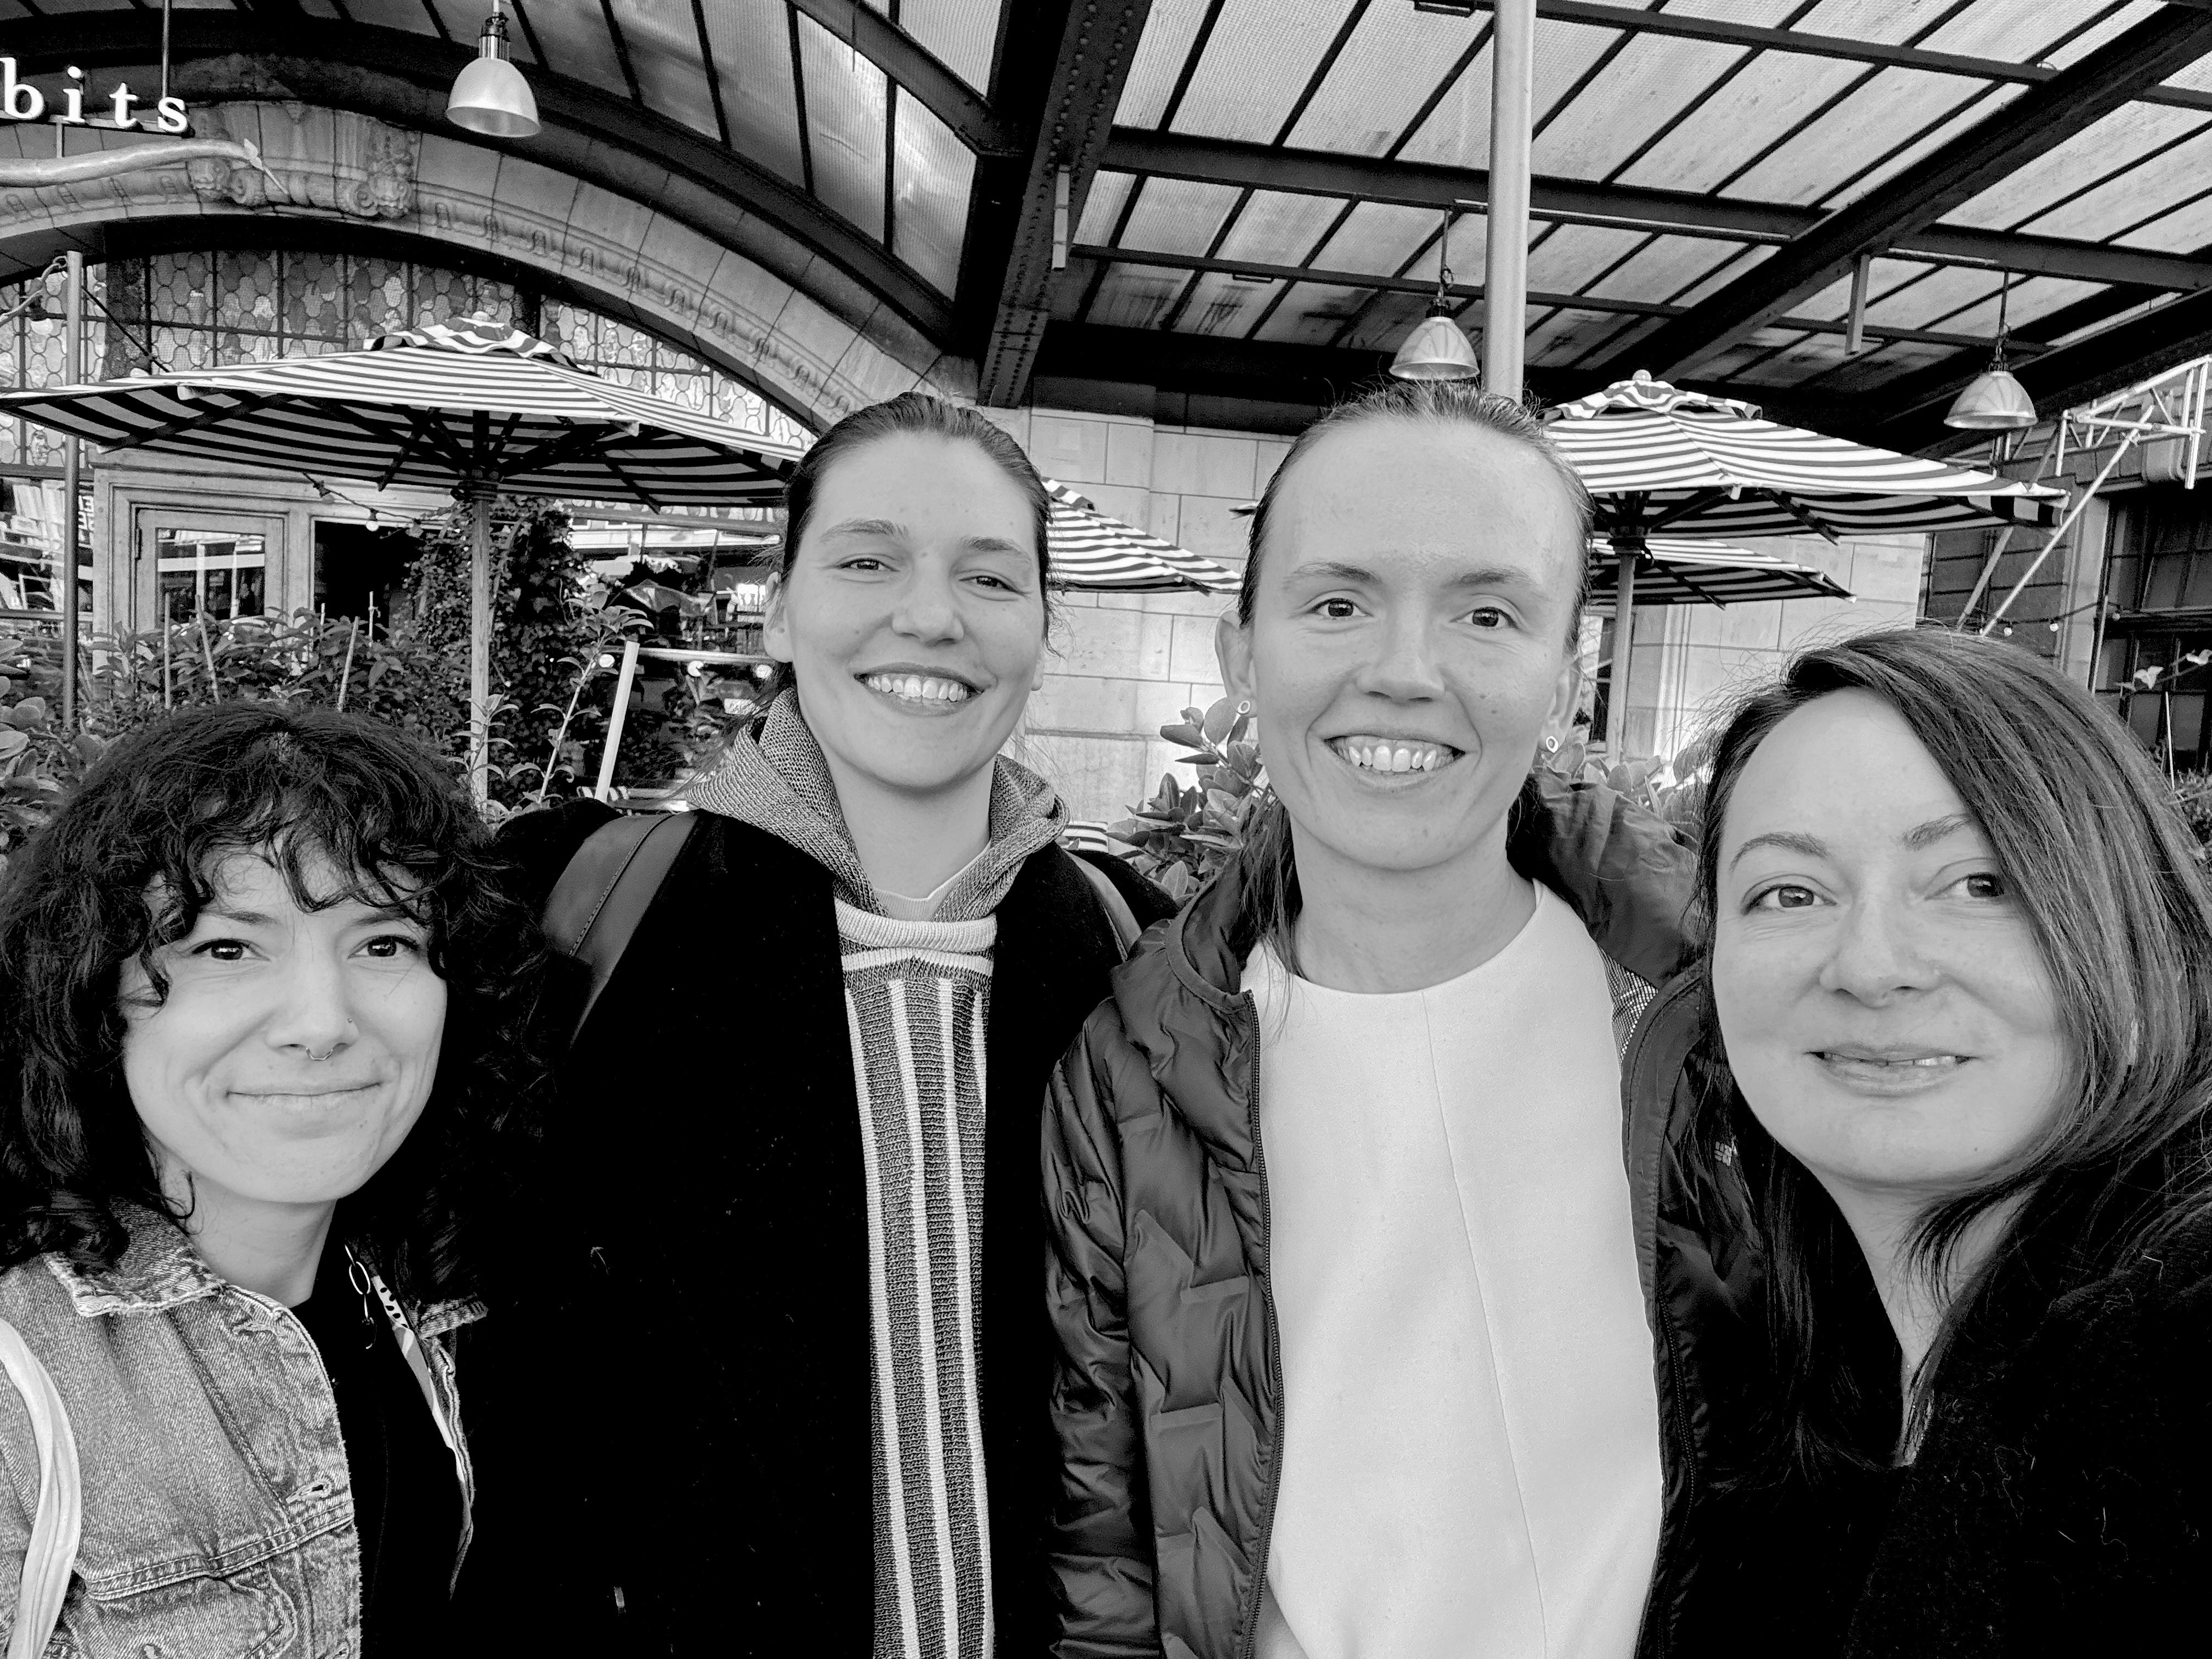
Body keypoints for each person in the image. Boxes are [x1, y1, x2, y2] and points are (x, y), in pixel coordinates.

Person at [456, 391, 1175, 1655]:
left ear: (1043, 629)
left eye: (990, 578)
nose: (930, 616)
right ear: (783, 606)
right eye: (869, 560)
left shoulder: (1138, 953)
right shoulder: (568, 915)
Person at [1042, 380, 1740, 1659]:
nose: (1406, 672)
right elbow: (1108, 1546)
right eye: (1338, 601)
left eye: (1487, 612)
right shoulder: (1133, 1066)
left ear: (1567, 674)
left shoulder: (1730, 1032)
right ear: (1240, 653)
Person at [1669, 628, 2212, 1656]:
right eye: (1790, 893)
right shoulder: (1787, 1401)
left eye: (1979, 884)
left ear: (2140, 934)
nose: (1872, 968)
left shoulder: (2176, 1342)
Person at [0, 703, 545, 1657]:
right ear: (96, 996)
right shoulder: (18, 1385)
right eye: (225, 948)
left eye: (384, 943)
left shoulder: (437, 1303)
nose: (322, 1021)